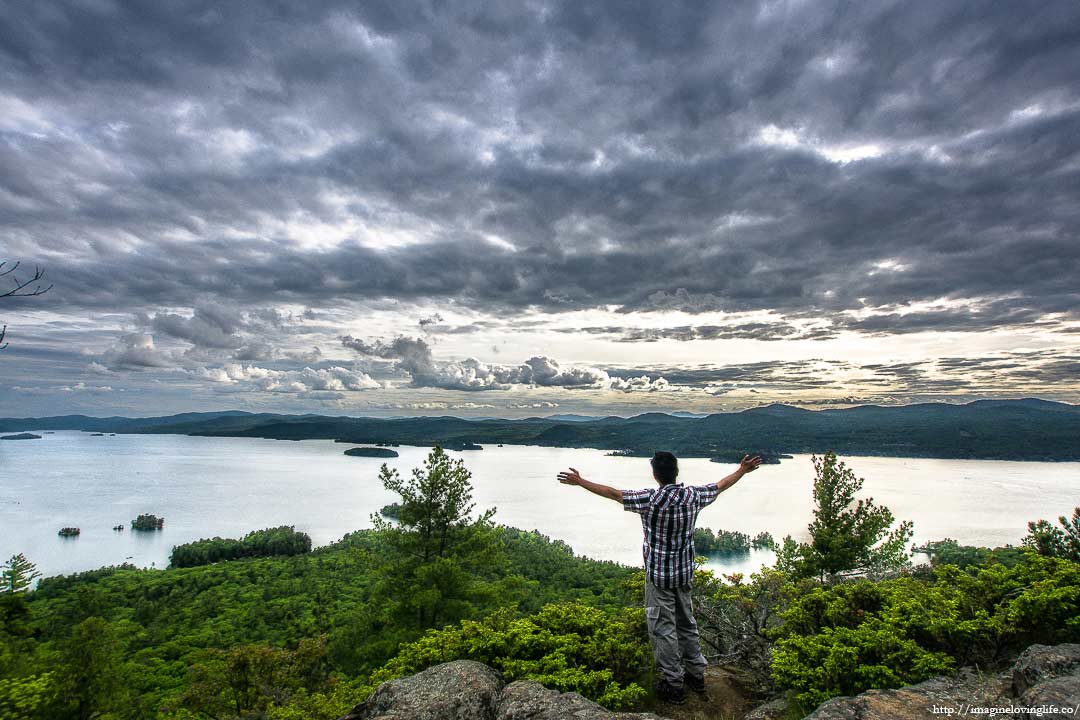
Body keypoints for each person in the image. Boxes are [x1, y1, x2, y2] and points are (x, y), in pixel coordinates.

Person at [557, 451, 763, 705]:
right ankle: (696, 676)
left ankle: (673, 685)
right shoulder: (693, 496)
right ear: (676, 473)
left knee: (663, 628)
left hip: (658, 578)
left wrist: (580, 482)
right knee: (687, 623)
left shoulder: (650, 499)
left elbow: (614, 494)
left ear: (655, 475)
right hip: (684, 574)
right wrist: (742, 470)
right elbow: (721, 486)